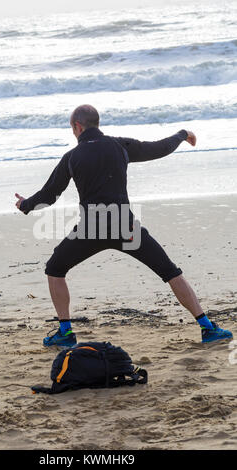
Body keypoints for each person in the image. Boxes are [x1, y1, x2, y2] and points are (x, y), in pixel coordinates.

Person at [15, 104, 233, 348]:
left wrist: (26, 205)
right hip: (125, 227)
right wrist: (182, 135)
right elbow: (158, 148)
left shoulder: (72, 157)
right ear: (96, 123)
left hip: (91, 230)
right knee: (169, 271)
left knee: (55, 268)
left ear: (77, 126)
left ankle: (65, 332)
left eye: (72, 128)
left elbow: (50, 194)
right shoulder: (119, 146)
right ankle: (207, 327)